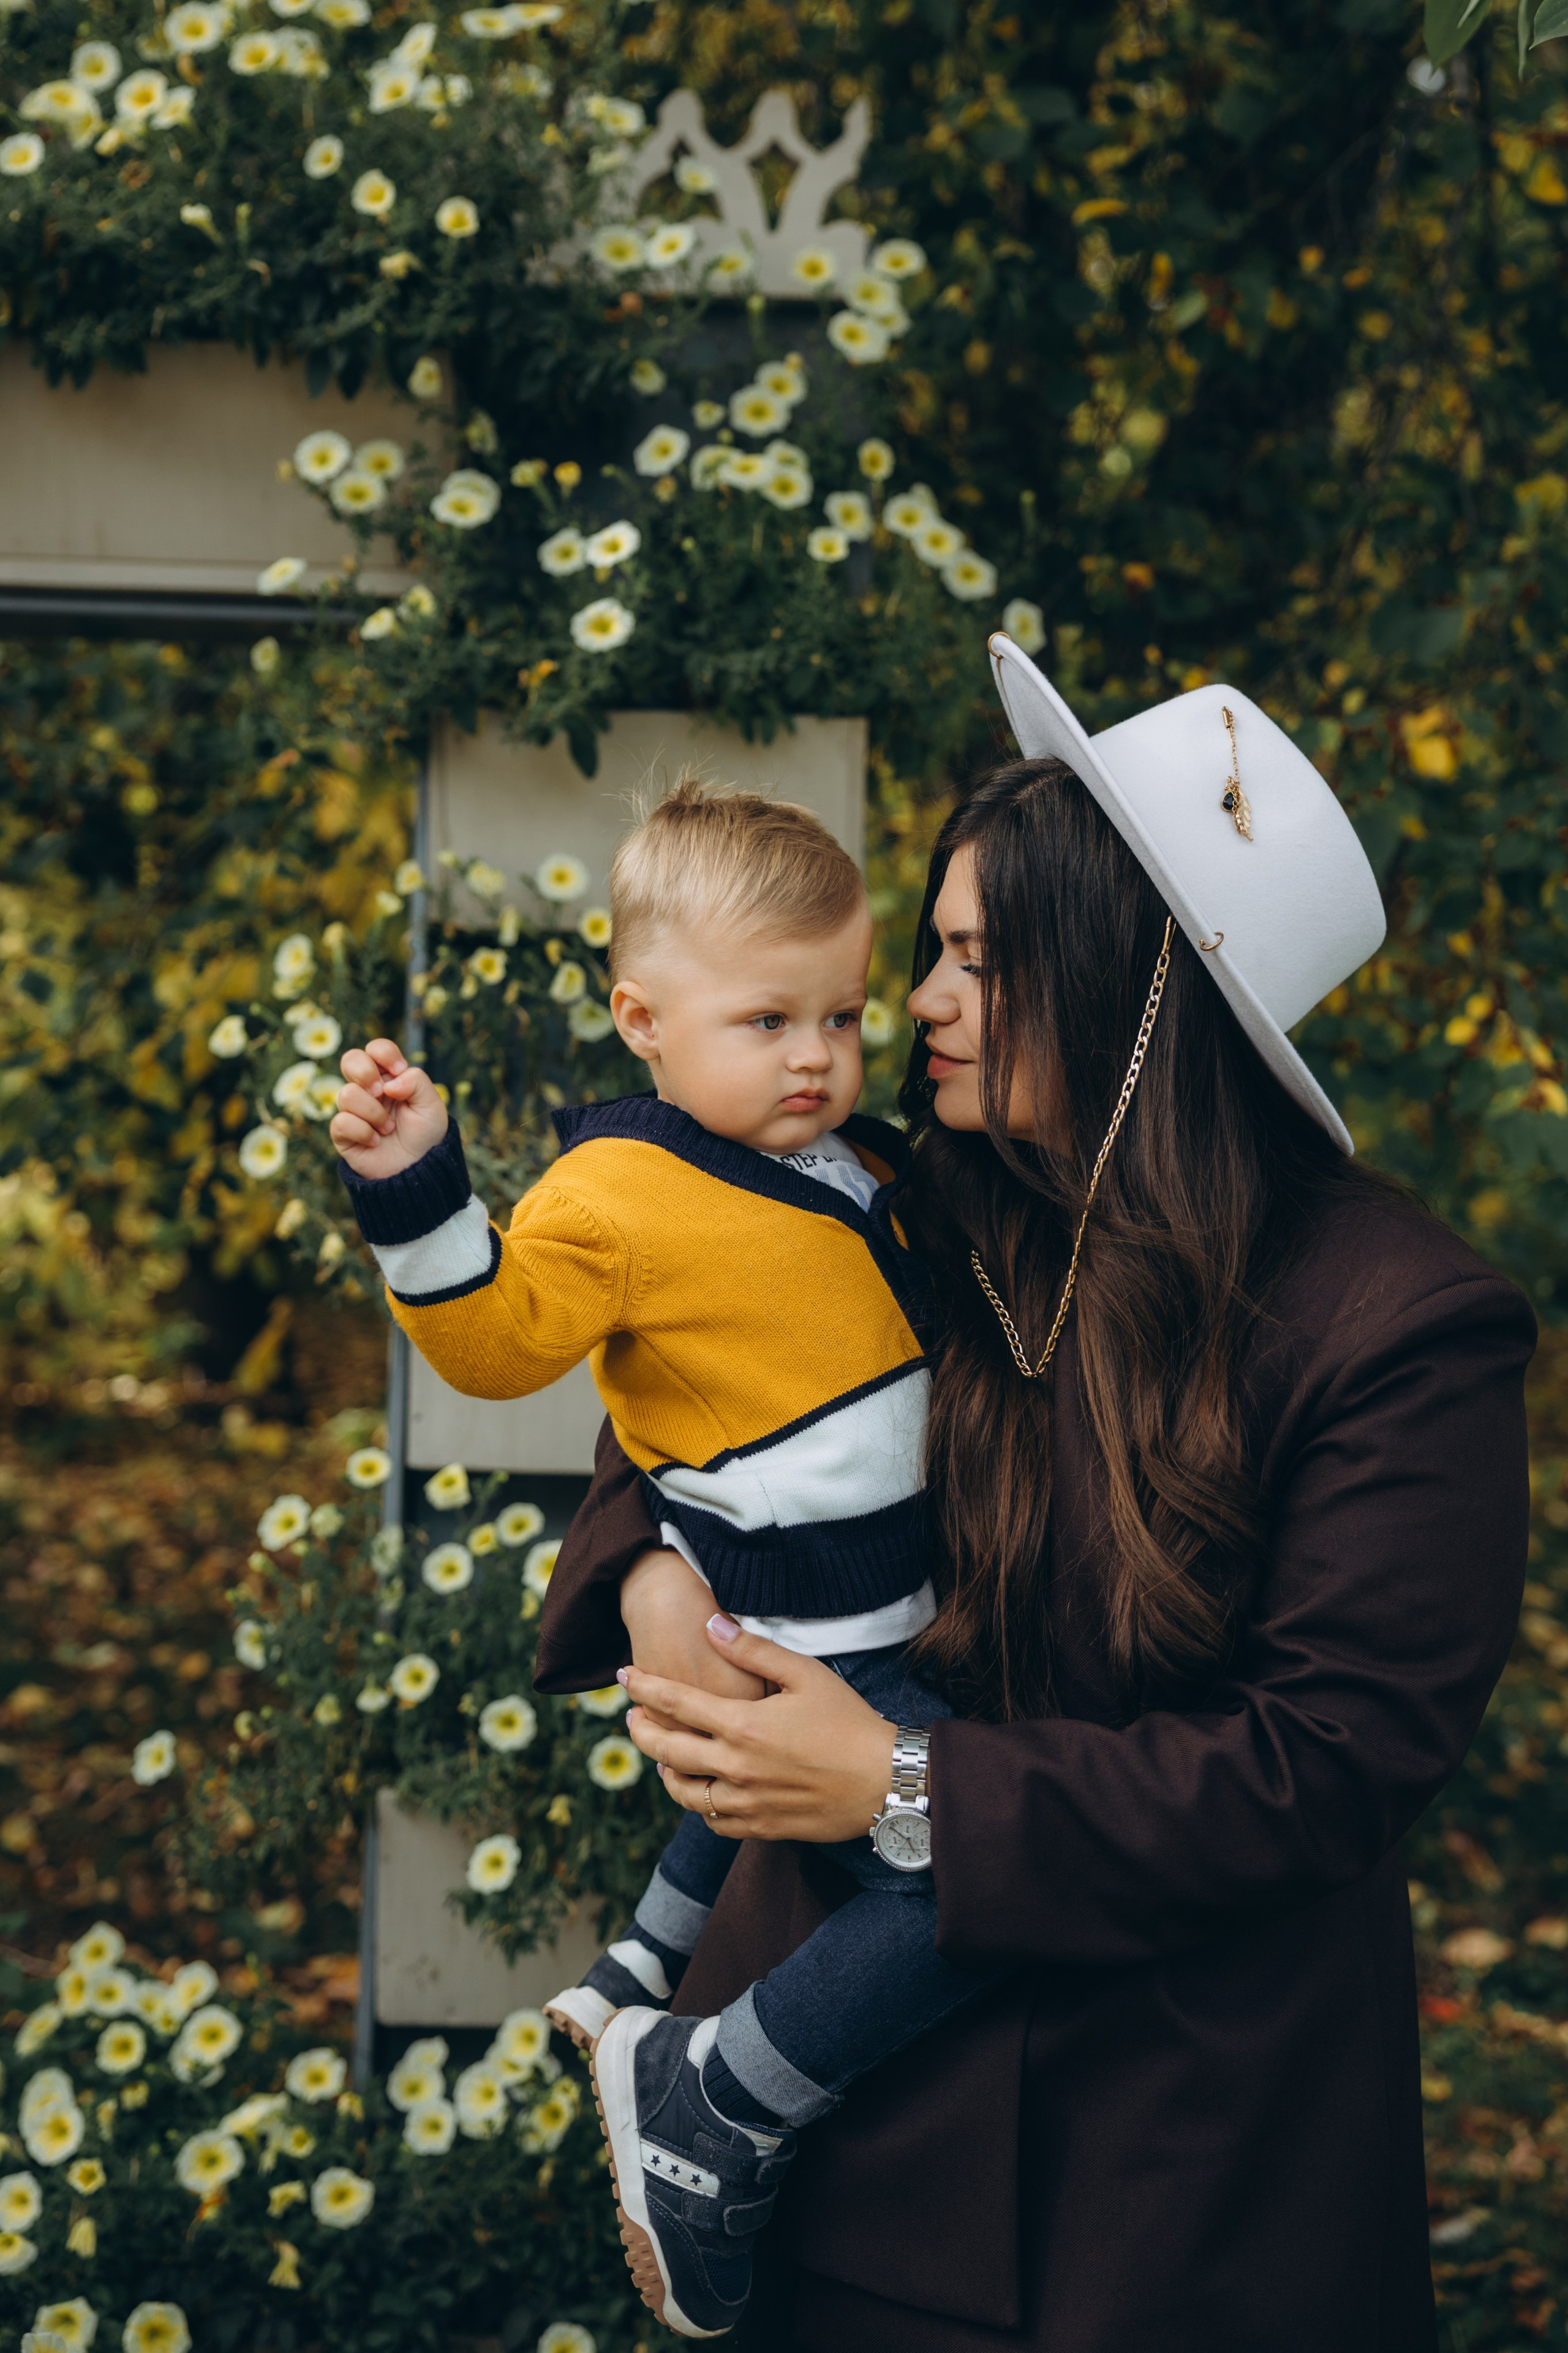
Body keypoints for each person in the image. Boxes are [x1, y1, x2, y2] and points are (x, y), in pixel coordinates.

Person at [533, 637, 1536, 2353]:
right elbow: (703, 1377)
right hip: (834, 2121)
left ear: (1144, 987)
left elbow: (1324, 1768)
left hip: (1176, 2178)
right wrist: (644, 1578)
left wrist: (906, 1782)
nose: (913, 1003)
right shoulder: (906, 1203)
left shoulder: (1401, 1325)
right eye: (930, 950)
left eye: (977, 961)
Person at [330, 777, 1014, 2340]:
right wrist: (413, 1192)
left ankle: (634, 1965)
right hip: (805, 1630)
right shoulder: (617, 1194)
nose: (817, 1058)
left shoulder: (860, 1158)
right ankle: (719, 2090)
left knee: (934, 1826)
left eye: (839, 1016)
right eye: (766, 1021)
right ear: (640, 1018)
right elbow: (497, 1343)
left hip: (891, 1599)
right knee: (968, 1867)